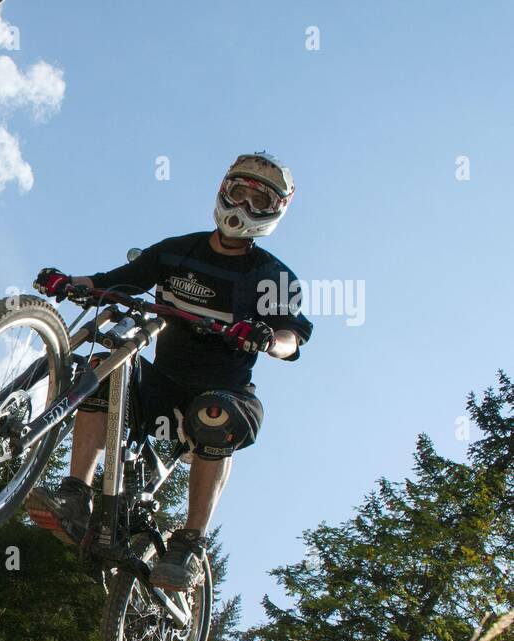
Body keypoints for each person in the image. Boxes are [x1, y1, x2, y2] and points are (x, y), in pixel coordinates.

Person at [27, 152, 313, 591]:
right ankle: (75, 496)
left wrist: (265, 337)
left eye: (260, 202)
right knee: (102, 367)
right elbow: (118, 279)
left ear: (275, 213)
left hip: (225, 393)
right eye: (239, 193)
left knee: (213, 414)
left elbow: (292, 337)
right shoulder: (179, 250)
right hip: (160, 386)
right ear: (222, 191)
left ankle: (190, 544)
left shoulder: (273, 276)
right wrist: (69, 283)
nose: (244, 208)